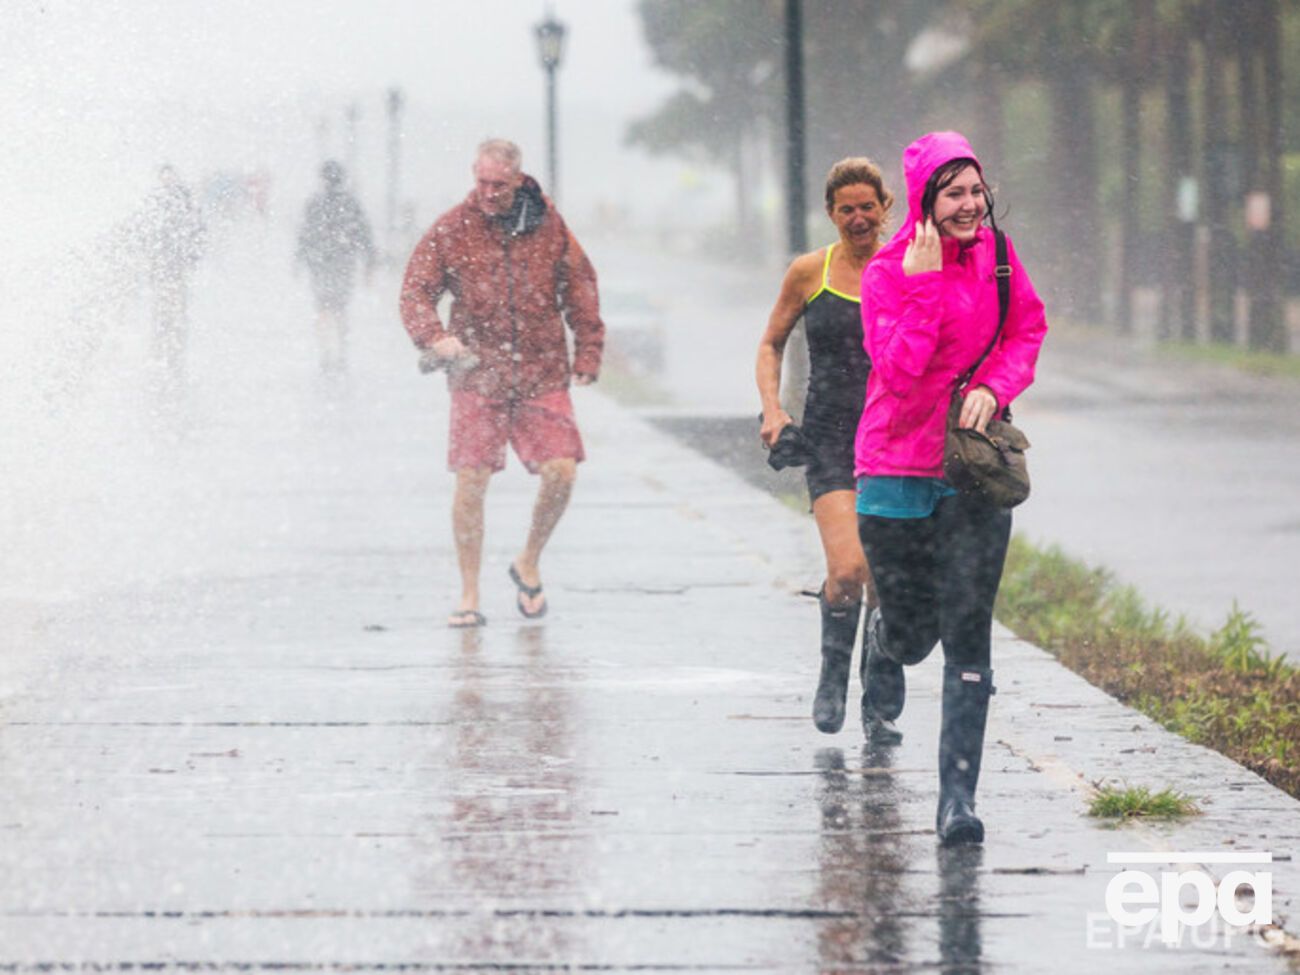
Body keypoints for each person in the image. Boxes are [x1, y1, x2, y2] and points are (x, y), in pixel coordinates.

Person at [855, 131, 1047, 845]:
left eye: (975, 190)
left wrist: (995, 387)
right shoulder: (886, 271)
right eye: (953, 193)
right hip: (893, 475)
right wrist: (929, 284)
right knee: (914, 638)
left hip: (971, 473)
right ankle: (884, 639)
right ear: (925, 202)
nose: (969, 205)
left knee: (968, 635)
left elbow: (1027, 328)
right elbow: (899, 372)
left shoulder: (1000, 256)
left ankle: (956, 799)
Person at [399, 139, 604, 628]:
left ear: (518, 180)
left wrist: (589, 349)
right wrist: (436, 337)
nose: (488, 193)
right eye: (482, 183)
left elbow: (580, 286)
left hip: (540, 369)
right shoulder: (453, 228)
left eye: (499, 185)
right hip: (477, 372)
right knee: (471, 480)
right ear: (474, 176)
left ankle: (528, 558)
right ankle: (468, 593)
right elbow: (415, 292)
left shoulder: (549, 225)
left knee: (562, 472)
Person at [756, 158, 893, 735]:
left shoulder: (909, 267)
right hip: (832, 435)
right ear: (831, 214)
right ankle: (832, 675)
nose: (858, 219)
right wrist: (773, 410)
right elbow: (771, 344)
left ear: (886, 207)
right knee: (849, 567)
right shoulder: (810, 271)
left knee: (888, 577)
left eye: (868, 207)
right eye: (846, 210)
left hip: (898, 438)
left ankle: (878, 699)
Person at [296, 160, 376, 378]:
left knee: (322, 308)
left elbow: (304, 234)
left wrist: (299, 260)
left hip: (321, 263)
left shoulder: (315, 203)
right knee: (340, 309)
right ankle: (340, 351)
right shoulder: (350, 203)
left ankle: (326, 353)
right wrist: (369, 260)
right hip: (343, 262)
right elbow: (364, 233)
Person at [132, 164, 206, 387]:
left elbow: (198, 230)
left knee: (174, 299)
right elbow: (145, 229)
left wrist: (192, 255)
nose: (167, 180)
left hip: (174, 261)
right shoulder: (157, 200)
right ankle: (164, 340)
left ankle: (170, 341)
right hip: (161, 261)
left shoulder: (183, 201)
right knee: (163, 300)